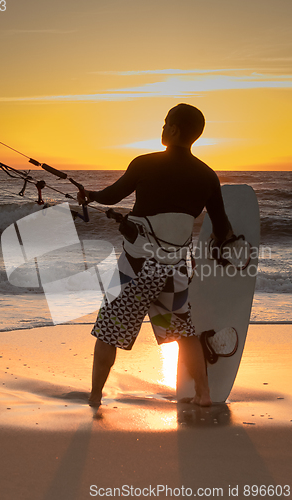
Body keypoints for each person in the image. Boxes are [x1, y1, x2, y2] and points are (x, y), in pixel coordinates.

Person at [77, 103, 232, 407]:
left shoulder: (145, 163)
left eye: (165, 123)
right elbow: (222, 227)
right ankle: (204, 394)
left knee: (110, 329)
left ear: (173, 129)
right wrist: (219, 242)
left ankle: (95, 397)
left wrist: (89, 195)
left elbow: (111, 196)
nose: (162, 128)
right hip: (173, 272)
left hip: (135, 268)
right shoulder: (207, 176)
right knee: (183, 332)